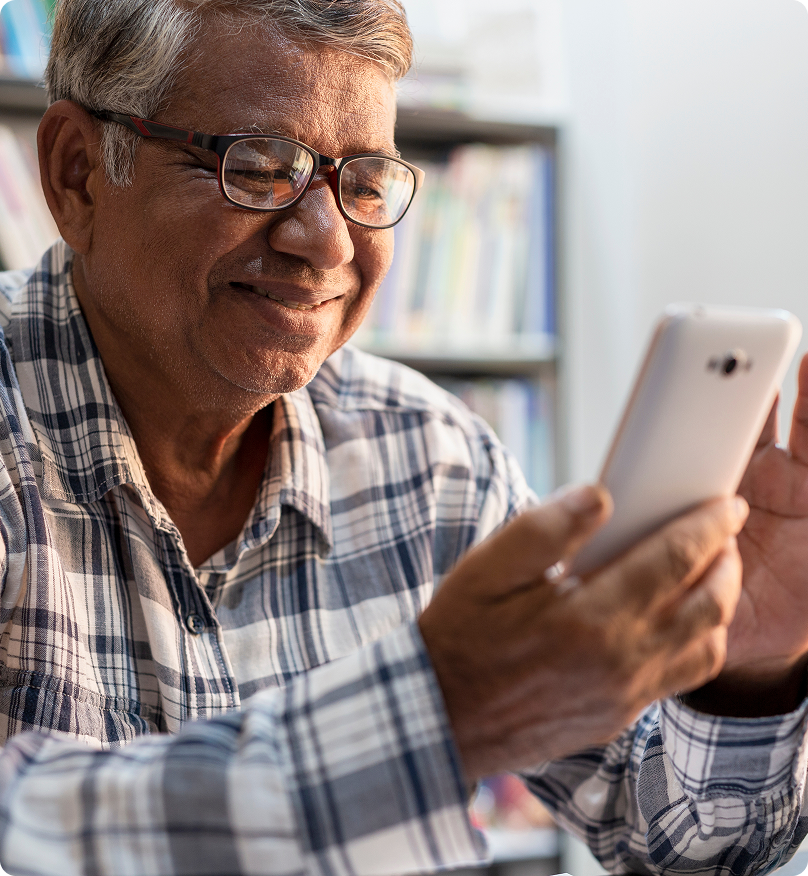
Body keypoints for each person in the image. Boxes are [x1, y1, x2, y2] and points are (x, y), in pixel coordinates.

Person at [0, 1, 807, 874]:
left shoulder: (433, 457)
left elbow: (686, 847)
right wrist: (440, 714)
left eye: (367, 181)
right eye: (260, 166)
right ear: (78, 174)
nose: (328, 240)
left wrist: (751, 674)